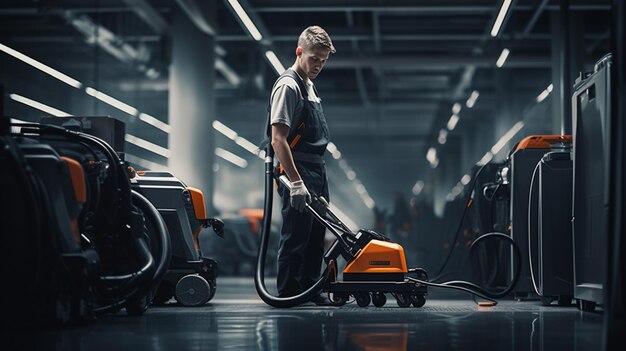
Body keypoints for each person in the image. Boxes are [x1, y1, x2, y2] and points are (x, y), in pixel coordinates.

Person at [268, 26, 336, 305]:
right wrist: (296, 182)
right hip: (298, 170)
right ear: (299, 52)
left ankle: (309, 287)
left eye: (323, 59)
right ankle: (288, 292)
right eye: (314, 58)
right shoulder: (289, 85)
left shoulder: (309, 84)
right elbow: (278, 139)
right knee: (296, 234)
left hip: (316, 169)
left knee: (315, 234)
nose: (318, 65)